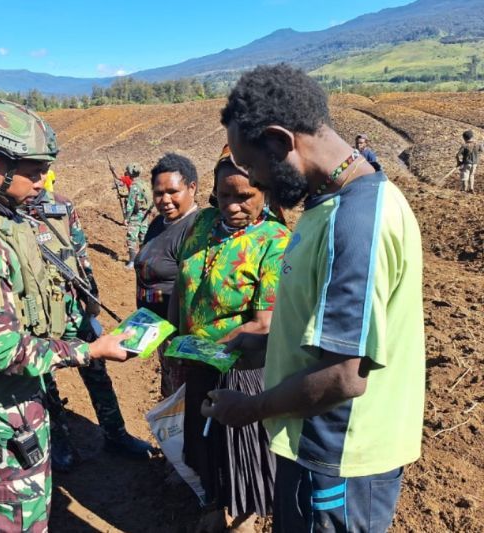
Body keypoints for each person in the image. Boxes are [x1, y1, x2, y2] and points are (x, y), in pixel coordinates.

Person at [205, 63, 425, 532]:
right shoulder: (330, 203)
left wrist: (251, 409)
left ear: (280, 141)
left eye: (252, 167)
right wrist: (266, 345)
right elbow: (332, 334)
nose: (256, 183)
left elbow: (344, 375)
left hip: (340, 460)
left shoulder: (354, 223)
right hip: (317, 448)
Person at [0, 99, 131, 532]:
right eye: (35, 172)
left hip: (11, 397)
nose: (42, 182)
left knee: (18, 506)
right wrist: (90, 350)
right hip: (1, 405)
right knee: (18, 517)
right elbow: (8, 351)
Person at [170, 145, 289, 531]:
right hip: (198, 358)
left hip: (241, 369)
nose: (233, 206)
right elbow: (181, 283)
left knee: (239, 452)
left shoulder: (275, 240)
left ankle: (243, 518)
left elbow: (265, 322)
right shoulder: (203, 224)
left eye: (244, 196)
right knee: (203, 441)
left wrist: (216, 347)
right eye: (224, 196)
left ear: (265, 192)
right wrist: (171, 337)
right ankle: (212, 503)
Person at [21, 188, 154, 471]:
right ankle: (58, 440)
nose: (39, 178)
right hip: (33, 315)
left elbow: (80, 255)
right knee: (44, 379)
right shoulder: (6, 212)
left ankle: (115, 433)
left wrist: (92, 300)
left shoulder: (60, 205)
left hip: (71, 307)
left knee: (96, 371)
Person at [134, 153, 199, 398]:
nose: (165, 200)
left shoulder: (196, 228)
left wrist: (179, 335)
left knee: (185, 402)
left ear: (192, 188)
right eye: (159, 193)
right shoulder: (158, 224)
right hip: (159, 333)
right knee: (171, 399)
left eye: (173, 192)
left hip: (181, 340)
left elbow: (193, 288)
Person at [123, 162, 153, 268]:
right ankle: (144, 260)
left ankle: (132, 262)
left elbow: (131, 204)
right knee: (143, 236)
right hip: (145, 213)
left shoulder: (134, 186)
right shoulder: (144, 184)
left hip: (136, 215)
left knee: (131, 237)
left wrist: (126, 218)